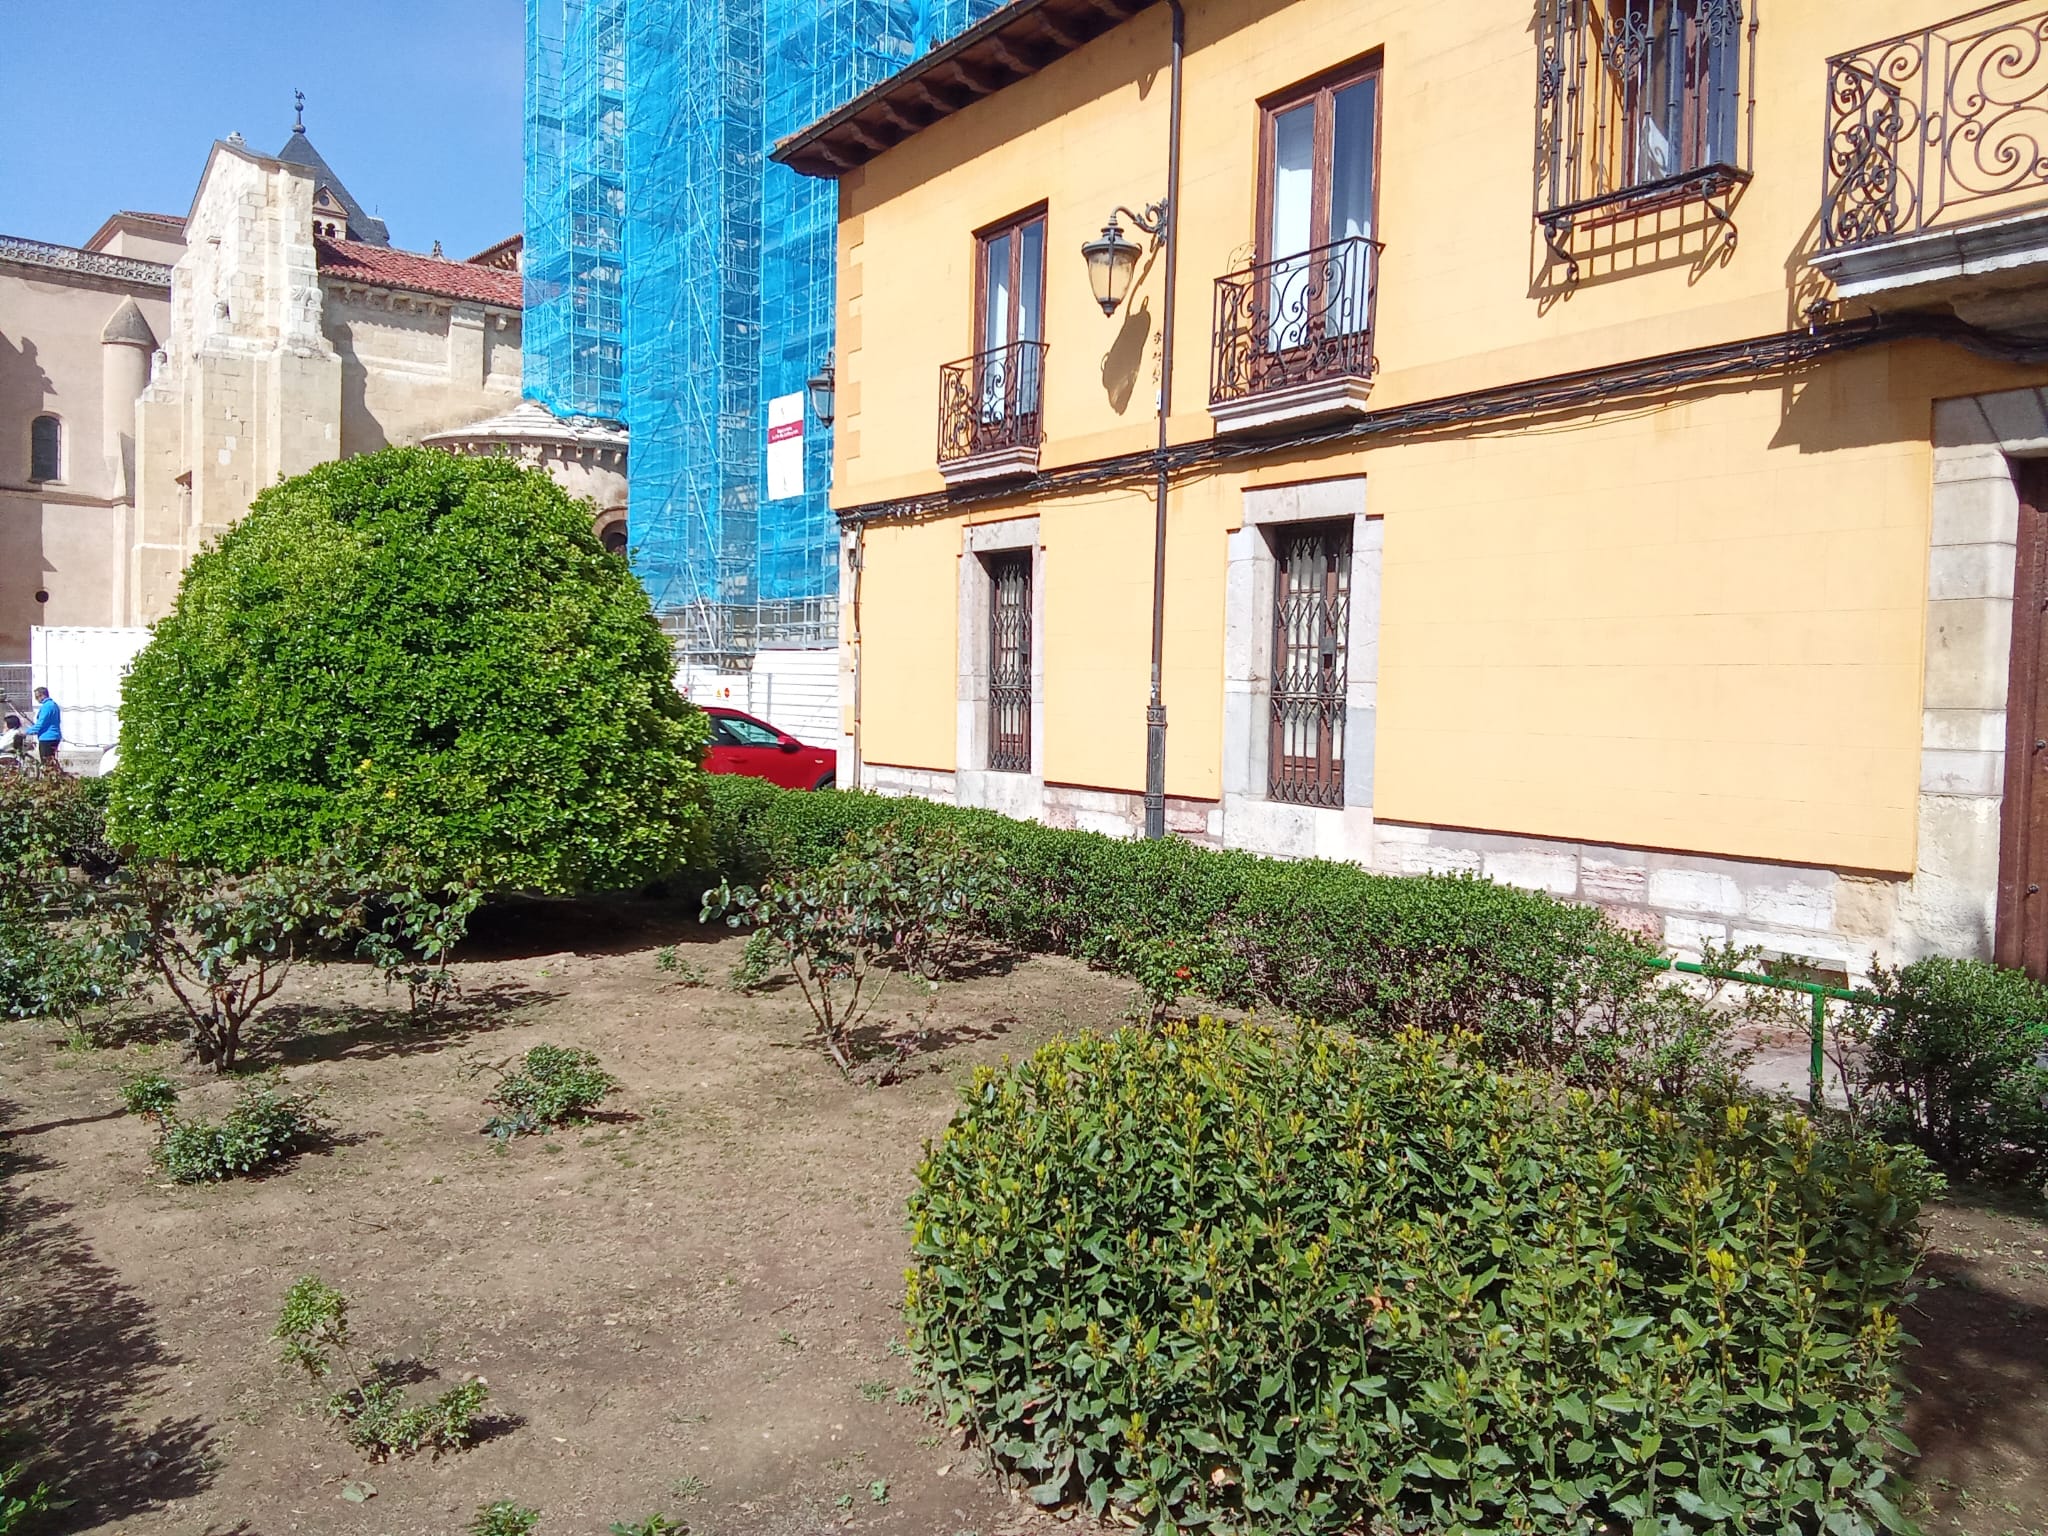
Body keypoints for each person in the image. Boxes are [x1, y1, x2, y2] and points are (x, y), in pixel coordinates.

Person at [28, 687, 62, 771]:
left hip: (47, 738)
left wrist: (27, 732)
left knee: (46, 763)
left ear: (42, 695)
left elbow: (40, 723)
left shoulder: (46, 706)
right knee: (51, 762)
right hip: (54, 736)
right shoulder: (54, 705)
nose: (36, 699)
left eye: (37, 697)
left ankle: (50, 777)